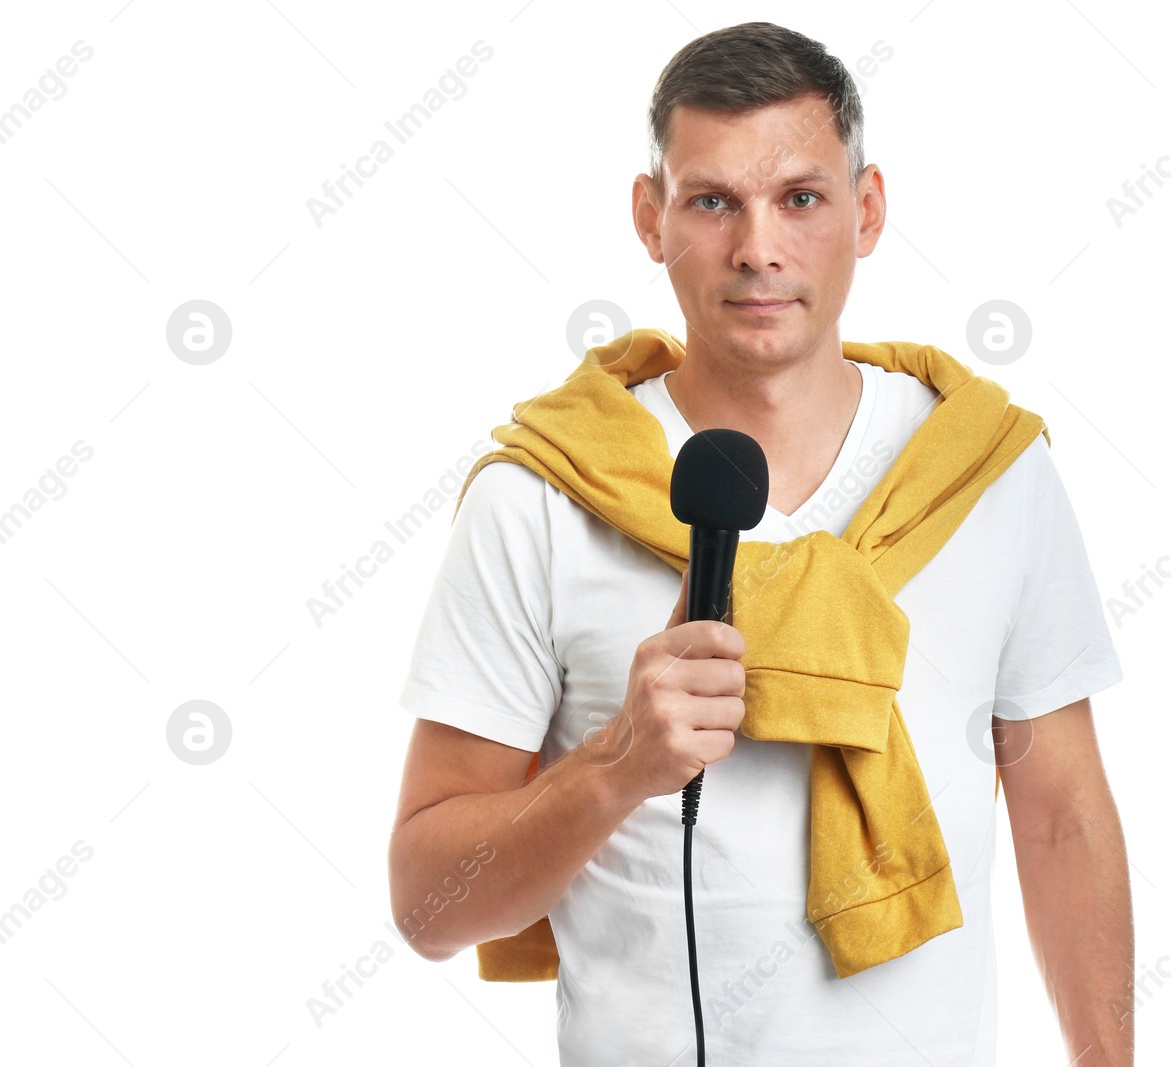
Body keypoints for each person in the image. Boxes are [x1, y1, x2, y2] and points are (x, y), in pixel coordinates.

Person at [388, 21, 1131, 1067]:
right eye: (710, 202)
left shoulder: (987, 474)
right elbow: (427, 904)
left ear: (866, 212)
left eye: (799, 197)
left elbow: (1059, 812)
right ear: (650, 219)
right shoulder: (539, 496)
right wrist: (611, 763)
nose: (757, 249)